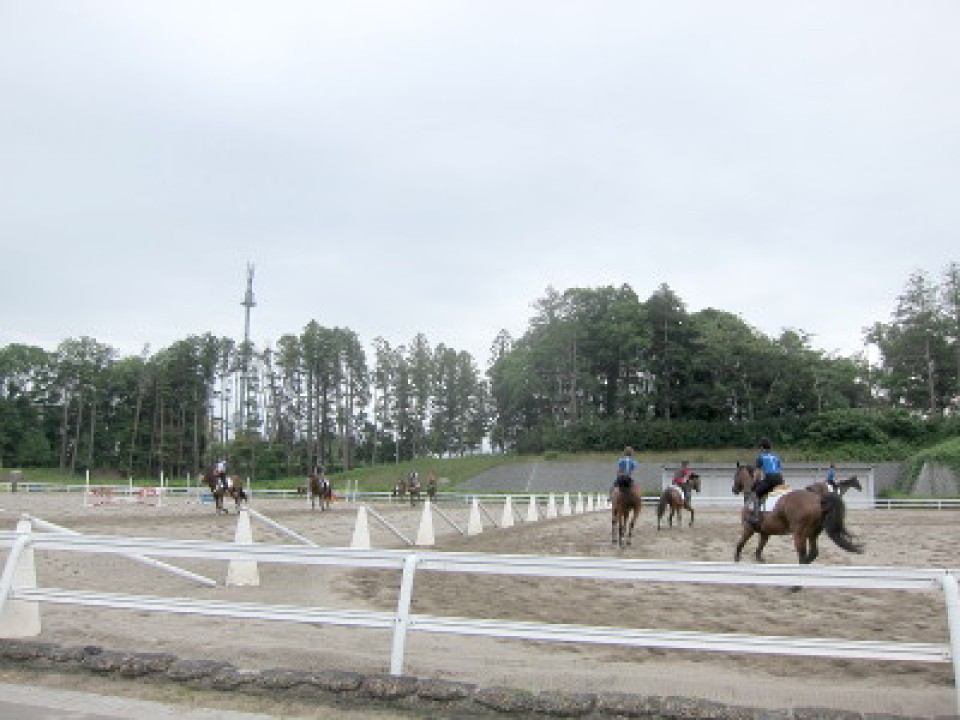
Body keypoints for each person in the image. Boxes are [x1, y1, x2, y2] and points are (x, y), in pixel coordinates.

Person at [747, 438, 783, 528]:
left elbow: (757, 473)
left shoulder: (760, 457)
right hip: (779, 478)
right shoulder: (776, 457)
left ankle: (755, 517)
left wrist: (754, 482)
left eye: (760, 447)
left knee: (755, 494)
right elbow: (779, 470)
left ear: (762, 447)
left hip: (770, 478)